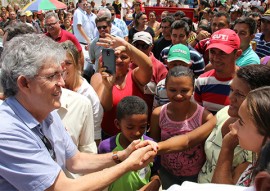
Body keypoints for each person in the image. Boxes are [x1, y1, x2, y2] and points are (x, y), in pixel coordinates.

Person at [0, 33, 157, 191]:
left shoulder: (47, 113)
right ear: (24, 83)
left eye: (61, 74)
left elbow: (76, 161)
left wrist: (123, 155)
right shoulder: (7, 133)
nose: (62, 82)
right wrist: (128, 165)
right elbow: (63, 188)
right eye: (52, 76)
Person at [198, 64, 270, 183]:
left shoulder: (253, 151)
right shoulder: (224, 112)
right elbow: (189, 139)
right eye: (231, 90)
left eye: (240, 94)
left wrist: (227, 147)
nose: (230, 97)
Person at [150, 66, 213, 189]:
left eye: (184, 90)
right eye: (172, 90)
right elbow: (154, 144)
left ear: (193, 90)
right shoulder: (158, 114)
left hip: (195, 176)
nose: (178, 95)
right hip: (166, 173)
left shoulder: (204, 117)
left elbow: (208, 150)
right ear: (165, 89)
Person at [90, 34, 152, 139]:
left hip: (136, 136)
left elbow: (148, 66)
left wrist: (127, 46)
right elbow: (105, 107)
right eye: (114, 57)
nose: (119, 60)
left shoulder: (135, 75)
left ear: (131, 60)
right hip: (109, 138)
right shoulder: (98, 77)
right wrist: (108, 87)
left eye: (124, 57)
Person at [98, 96, 161, 191]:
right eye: (130, 127)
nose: (137, 132)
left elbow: (155, 173)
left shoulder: (151, 146)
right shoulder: (106, 147)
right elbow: (99, 178)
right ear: (118, 124)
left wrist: (155, 183)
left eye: (142, 127)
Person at [212, 85, 270, 187]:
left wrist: (226, 149)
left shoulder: (265, 180)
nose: (232, 126)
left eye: (241, 122)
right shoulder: (257, 162)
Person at [61, 40, 104, 144]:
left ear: (77, 64)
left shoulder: (88, 96)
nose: (63, 67)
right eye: (60, 63)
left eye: (68, 63)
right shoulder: (53, 89)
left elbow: (95, 137)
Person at [194, 28, 242, 114]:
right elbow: (197, 115)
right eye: (212, 52)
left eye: (222, 53)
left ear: (237, 54)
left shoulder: (246, 84)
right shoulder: (201, 81)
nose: (216, 58)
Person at [131, 31, 168, 114]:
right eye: (137, 45)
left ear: (151, 47)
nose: (140, 49)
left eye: (144, 46)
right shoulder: (126, 63)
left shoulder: (159, 67)